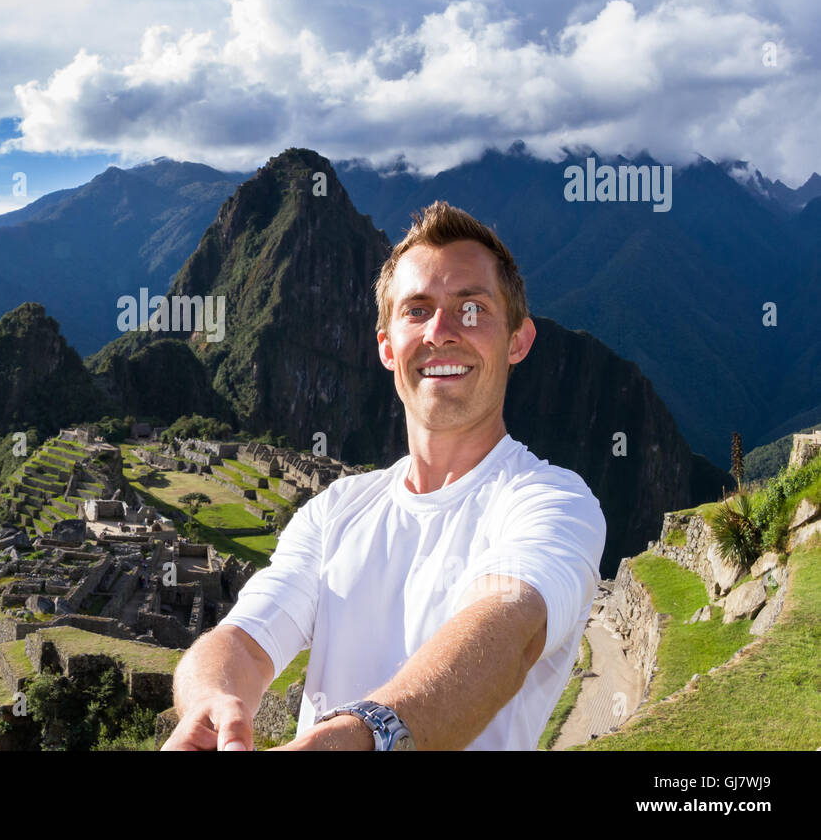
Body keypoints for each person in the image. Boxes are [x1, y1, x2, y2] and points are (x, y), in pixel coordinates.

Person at [162, 200, 606, 751]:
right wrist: (212, 702)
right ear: (386, 346)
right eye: (417, 310)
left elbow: (507, 626)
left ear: (518, 340)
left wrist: (365, 737)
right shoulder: (335, 511)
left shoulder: (553, 502)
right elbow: (246, 639)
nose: (442, 331)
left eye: (472, 309)